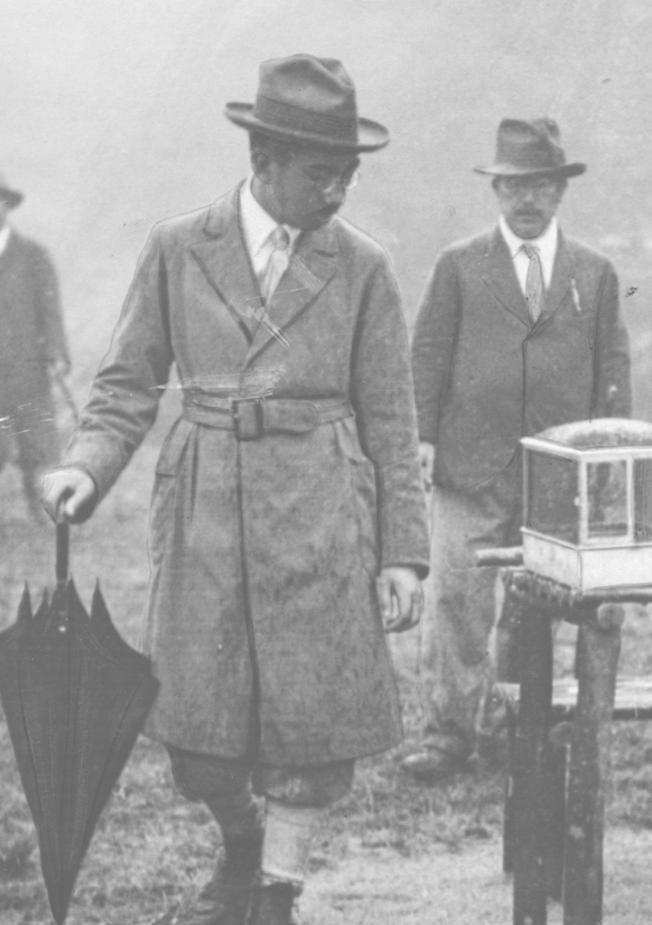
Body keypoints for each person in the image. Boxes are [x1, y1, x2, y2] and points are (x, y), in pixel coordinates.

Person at [43, 55, 428, 925]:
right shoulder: (179, 247)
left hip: (321, 509)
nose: (338, 191)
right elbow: (127, 384)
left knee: (312, 723)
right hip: (205, 509)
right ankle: (243, 841)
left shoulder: (363, 266)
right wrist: (86, 466)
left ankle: (276, 892)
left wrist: (403, 553)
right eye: (321, 173)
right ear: (264, 158)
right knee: (199, 732)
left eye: (349, 174)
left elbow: (392, 419)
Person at [404, 118, 631, 782]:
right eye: (514, 185)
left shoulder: (595, 272)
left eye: (541, 185)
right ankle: (447, 734)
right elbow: (427, 356)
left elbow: (612, 367)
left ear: (561, 190)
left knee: (535, 603)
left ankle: (511, 726)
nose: (527, 198)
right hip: (469, 465)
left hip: (556, 474)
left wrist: (610, 459)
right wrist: (422, 437)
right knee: (456, 598)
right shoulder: (459, 265)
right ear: (495, 190)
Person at [0, 174, 70, 521]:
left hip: (27, 368)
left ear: (7, 206)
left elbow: (50, 311)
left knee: (36, 447)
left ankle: (41, 516)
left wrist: (56, 352)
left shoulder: (33, 256)